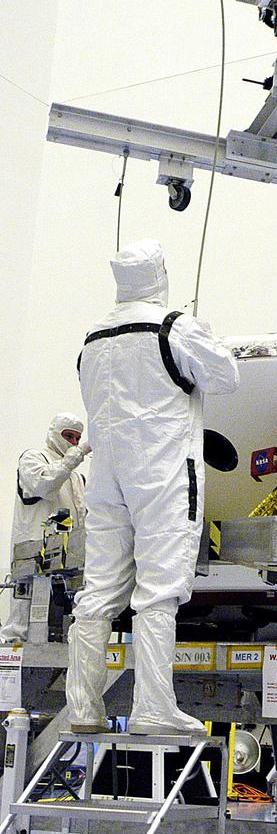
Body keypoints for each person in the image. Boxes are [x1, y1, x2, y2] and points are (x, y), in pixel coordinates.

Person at [65, 239, 239, 736]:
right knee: (158, 592)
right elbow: (227, 376)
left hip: (107, 480)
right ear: (159, 275)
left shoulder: (92, 339)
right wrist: (204, 335)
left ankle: (83, 708)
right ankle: (153, 708)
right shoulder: (172, 327)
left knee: (97, 592)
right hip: (160, 474)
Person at [1, 415, 90, 644]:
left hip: (67, 565)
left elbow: (82, 519)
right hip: (33, 561)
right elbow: (45, 485)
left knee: (62, 624)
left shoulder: (76, 478)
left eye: (77, 439)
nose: (73, 443)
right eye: (68, 436)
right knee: (23, 623)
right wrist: (75, 456)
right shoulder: (33, 458)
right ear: (54, 433)